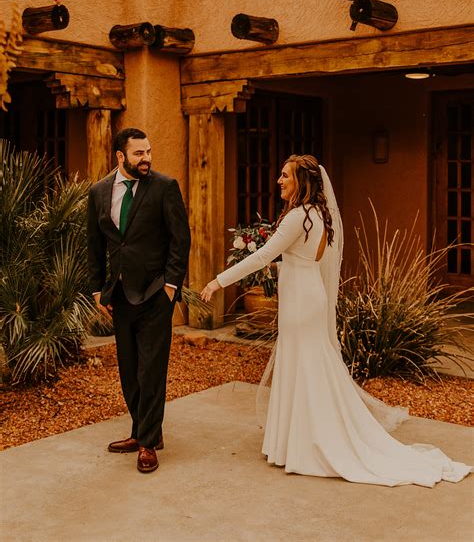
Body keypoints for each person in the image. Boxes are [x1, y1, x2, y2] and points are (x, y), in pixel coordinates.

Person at [201, 155, 472, 487]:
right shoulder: (318, 214)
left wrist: (218, 281)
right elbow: (294, 259)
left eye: (285, 175)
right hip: (309, 294)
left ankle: (304, 445)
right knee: (310, 365)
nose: (279, 181)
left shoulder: (296, 218)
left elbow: (262, 256)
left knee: (303, 366)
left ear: (302, 181)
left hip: (300, 301)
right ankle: (299, 441)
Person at [87, 127, 190, 474]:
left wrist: (171, 286)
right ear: (120, 156)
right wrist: (98, 289)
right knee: (129, 368)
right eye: (138, 154)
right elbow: (95, 245)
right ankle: (142, 430)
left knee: (151, 369)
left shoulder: (164, 187)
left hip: (155, 294)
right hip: (119, 295)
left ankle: (148, 443)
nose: (146, 159)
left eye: (148, 152)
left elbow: (180, 239)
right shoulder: (99, 192)